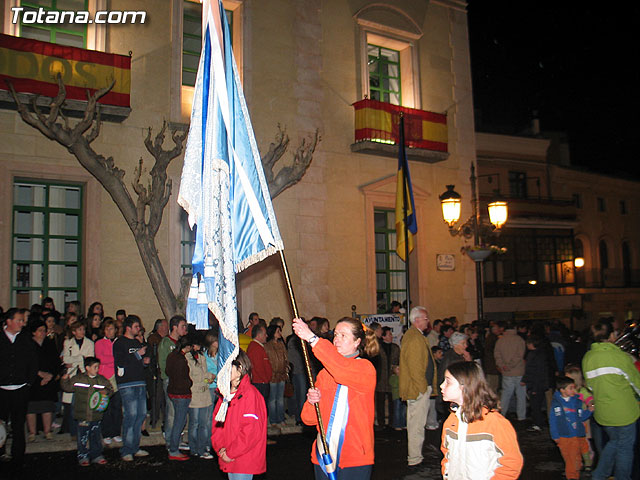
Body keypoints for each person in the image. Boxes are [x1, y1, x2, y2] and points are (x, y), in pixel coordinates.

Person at [294, 316, 378, 480]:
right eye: (335, 334)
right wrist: (312, 402)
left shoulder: (365, 369)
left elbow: (341, 370)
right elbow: (309, 419)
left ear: (357, 342)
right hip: (324, 455)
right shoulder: (325, 374)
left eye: (343, 335)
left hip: (354, 457)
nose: (337, 340)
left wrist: (312, 338)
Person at [440, 361, 523, 480]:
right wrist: (447, 474)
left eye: (448, 382)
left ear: (465, 386)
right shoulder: (451, 421)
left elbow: (511, 462)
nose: (441, 385)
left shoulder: (494, 423)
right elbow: (447, 454)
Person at [582, 321, 640, 480]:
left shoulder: (588, 357)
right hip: (625, 411)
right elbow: (637, 382)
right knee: (625, 448)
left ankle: (599, 475)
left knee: (614, 442)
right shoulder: (619, 356)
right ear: (611, 336)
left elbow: (591, 386)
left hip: (604, 411)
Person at [211, 349, 267, 480]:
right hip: (227, 455)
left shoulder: (250, 395)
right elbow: (217, 424)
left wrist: (230, 453)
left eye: (228, 366)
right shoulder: (224, 395)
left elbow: (251, 431)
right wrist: (220, 448)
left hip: (244, 458)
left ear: (240, 368)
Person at [399, 306, 438, 468]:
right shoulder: (415, 338)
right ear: (417, 320)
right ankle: (415, 458)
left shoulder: (416, 336)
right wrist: (423, 388)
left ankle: (416, 456)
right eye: (426, 319)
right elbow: (415, 367)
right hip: (418, 389)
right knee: (416, 425)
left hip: (419, 388)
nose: (428, 322)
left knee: (417, 424)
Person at [0, 308, 38, 468]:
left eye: (23, 320)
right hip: (1, 389)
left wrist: (28, 382)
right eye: (19, 320)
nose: (22, 323)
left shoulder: (25, 339)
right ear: (8, 321)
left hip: (20, 389)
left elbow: (33, 362)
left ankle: (18, 459)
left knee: (18, 425)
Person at [60, 357, 114, 466]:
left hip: (96, 414)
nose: (97, 369)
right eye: (95, 367)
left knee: (95, 435)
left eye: (98, 367)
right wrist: (64, 380)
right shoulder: (78, 379)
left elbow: (110, 389)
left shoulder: (101, 379)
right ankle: (83, 455)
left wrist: (106, 391)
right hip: (82, 414)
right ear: (87, 368)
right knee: (83, 437)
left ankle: (97, 455)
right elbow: (67, 388)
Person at [113, 315, 150, 461]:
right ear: (128, 327)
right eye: (136, 326)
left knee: (141, 415)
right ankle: (126, 449)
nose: (138, 329)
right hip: (127, 383)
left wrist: (144, 361)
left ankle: (135, 446)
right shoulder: (119, 343)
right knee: (131, 414)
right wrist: (137, 354)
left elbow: (138, 362)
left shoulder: (136, 342)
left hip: (140, 382)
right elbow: (120, 362)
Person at [549, 375, 593, 480]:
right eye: (571, 388)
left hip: (576, 434)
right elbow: (553, 420)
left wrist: (589, 411)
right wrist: (555, 435)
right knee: (569, 458)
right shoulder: (557, 404)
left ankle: (573, 474)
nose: (574, 390)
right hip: (564, 436)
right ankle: (573, 474)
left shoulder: (577, 401)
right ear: (562, 390)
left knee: (573, 458)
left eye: (574, 387)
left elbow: (580, 416)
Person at [26, 319, 60, 441]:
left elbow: (56, 361)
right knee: (31, 407)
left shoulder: (49, 343)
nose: (43, 333)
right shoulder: (28, 344)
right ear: (34, 332)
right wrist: (39, 373)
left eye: (44, 331)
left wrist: (50, 375)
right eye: (40, 330)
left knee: (47, 406)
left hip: (48, 380)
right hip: (33, 380)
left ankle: (47, 430)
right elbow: (26, 363)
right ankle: (32, 432)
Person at [158, 315, 187, 444]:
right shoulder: (166, 343)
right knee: (171, 411)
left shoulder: (182, 343)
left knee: (180, 413)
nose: (185, 328)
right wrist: (168, 377)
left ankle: (177, 439)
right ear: (174, 327)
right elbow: (163, 363)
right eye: (182, 326)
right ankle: (170, 440)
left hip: (181, 382)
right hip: (170, 381)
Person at [165, 335, 193, 461]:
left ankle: (172, 445)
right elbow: (184, 378)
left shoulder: (171, 356)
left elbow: (167, 371)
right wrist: (190, 383)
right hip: (181, 393)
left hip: (172, 391)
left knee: (175, 420)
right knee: (179, 422)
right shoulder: (181, 360)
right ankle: (174, 449)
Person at [95, 318, 122, 444]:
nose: (109, 331)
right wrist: (114, 358)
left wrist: (113, 358)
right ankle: (106, 433)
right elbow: (101, 359)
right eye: (107, 329)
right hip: (104, 379)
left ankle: (116, 432)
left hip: (117, 378)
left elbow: (121, 358)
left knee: (117, 407)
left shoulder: (119, 342)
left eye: (112, 329)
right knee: (106, 407)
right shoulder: (99, 343)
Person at [186, 340, 214, 459]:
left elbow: (203, 376)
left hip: (205, 393)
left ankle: (202, 448)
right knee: (194, 422)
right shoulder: (187, 358)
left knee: (203, 423)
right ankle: (194, 448)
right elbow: (193, 377)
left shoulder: (202, 356)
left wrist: (208, 380)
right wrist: (207, 377)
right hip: (195, 393)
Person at [494, 321, 526, 421]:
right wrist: (511, 365)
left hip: (506, 372)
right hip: (519, 371)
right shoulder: (519, 340)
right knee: (521, 396)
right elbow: (519, 355)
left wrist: (503, 365)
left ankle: (501, 415)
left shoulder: (500, 340)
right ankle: (521, 416)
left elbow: (497, 354)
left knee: (505, 395)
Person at [521, 334, 549, 432]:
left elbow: (533, 371)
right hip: (540, 384)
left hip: (536, 385)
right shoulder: (541, 354)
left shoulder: (533, 355)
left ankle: (538, 424)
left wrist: (533, 387)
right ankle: (538, 423)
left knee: (535, 405)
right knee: (537, 404)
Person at [375, 326, 399, 429]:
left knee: (392, 402)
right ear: (383, 336)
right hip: (381, 379)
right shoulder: (378, 348)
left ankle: (391, 422)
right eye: (389, 334)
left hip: (392, 379)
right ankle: (381, 423)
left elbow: (398, 361)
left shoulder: (395, 348)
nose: (391, 336)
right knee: (380, 402)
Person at [265, 324, 288, 427]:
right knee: (273, 398)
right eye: (278, 331)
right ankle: (273, 419)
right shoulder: (268, 345)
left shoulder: (281, 344)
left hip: (282, 374)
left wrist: (286, 367)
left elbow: (285, 357)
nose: (280, 333)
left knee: (280, 398)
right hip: (273, 375)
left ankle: (281, 417)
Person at [247, 323, 272, 406]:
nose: (267, 336)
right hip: (260, 383)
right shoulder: (256, 348)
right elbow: (258, 367)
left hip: (261, 382)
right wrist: (265, 380)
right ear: (259, 335)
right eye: (265, 334)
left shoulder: (257, 347)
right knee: (261, 406)